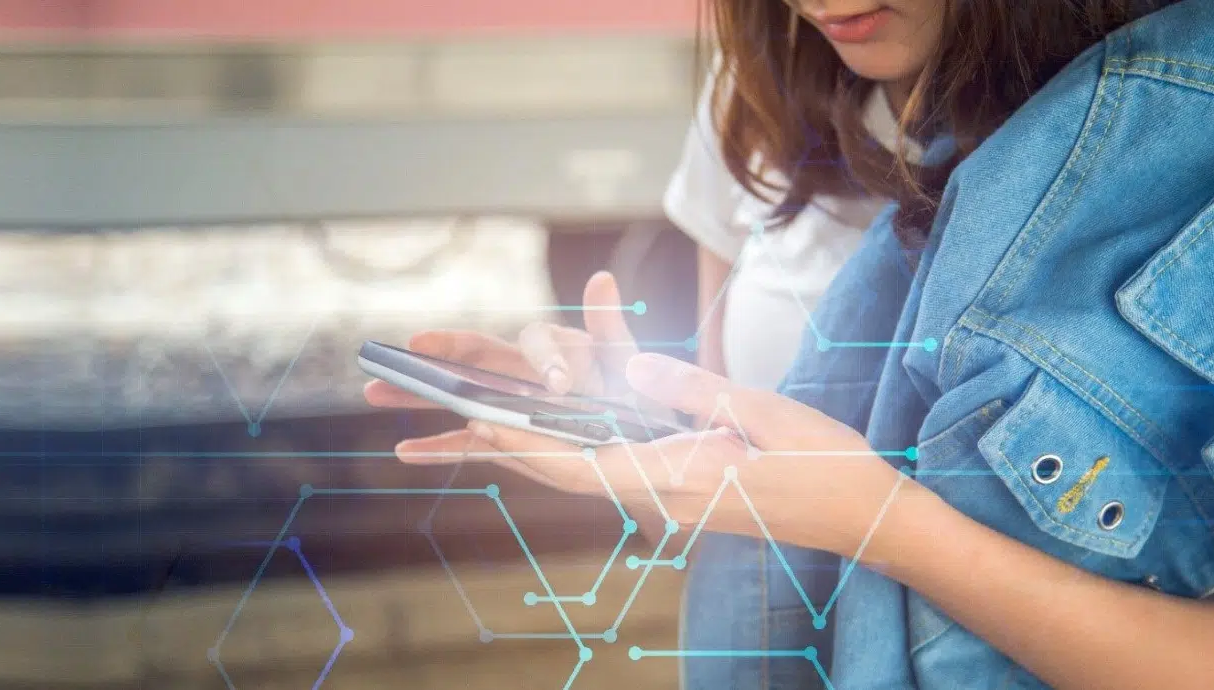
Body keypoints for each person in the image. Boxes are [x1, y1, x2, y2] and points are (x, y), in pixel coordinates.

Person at [367, 1, 1214, 688]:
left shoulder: (1176, 131)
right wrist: (625, 421)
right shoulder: (761, 90)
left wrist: (879, 524)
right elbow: (731, 492)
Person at [662, 55, 909, 688]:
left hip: (910, 493)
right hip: (756, 489)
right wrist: (704, 419)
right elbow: (716, 241)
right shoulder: (757, 60)